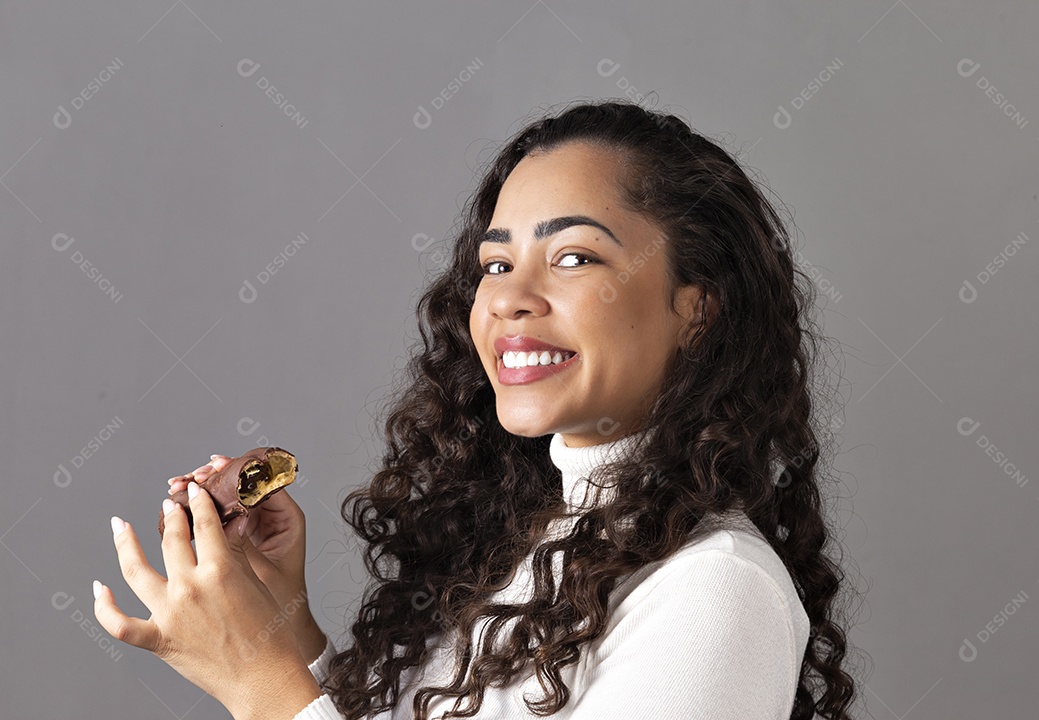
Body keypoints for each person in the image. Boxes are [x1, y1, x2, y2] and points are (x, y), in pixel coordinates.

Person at [95, 99, 860, 719]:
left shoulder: (715, 589)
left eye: (574, 257)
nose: (511, 301)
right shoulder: (527, 549)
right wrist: (280, 626)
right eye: (496, 264)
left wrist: (259, 688)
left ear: (697, 311)